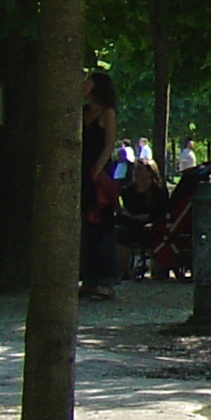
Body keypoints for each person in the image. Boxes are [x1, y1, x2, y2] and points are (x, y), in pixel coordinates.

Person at [79, 71, 121, 301]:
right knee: (86, 227)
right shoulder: (83, 112)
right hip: (82, 170)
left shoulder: (107, 113)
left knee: (101, 225)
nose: (83, 85)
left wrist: (98, 167)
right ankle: (89, 278)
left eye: (88, 81)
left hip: (98, 172)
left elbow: (109, 144)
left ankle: (106, 280)